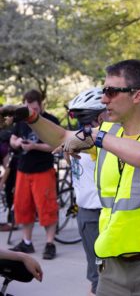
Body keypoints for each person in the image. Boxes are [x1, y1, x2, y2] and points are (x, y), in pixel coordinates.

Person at [0, 59, 140, 296]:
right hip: (112, 268)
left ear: (137, 96)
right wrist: (30, 116)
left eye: (111, 92)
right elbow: (61, 138)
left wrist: (96, 137)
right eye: (103, 91)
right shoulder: (109, 132)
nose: (103, 99)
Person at [9, 89, 59, 260]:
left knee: (47, 208)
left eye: (35, 109)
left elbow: (56, 144)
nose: (31, 112)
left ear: (41, 105)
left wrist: (34, 146)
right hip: (23, 170)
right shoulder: (21, 119)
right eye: (28, 108)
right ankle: (27, 242)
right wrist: (16, 142)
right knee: (23, 208)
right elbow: (13, 138)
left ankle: (50, 243)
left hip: (43, 170)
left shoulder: (51, 120)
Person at [67, 87, 107, 296]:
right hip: (87, 214)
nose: (82, 129)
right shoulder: (76, 140)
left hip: (100, 214)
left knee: (102, 277)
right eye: (78, 122)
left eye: (86, 122)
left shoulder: (104, 143)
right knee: (96, 274)